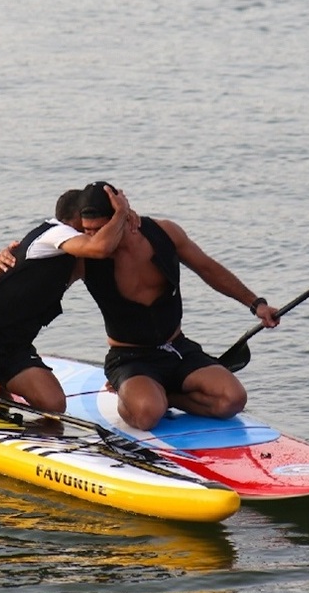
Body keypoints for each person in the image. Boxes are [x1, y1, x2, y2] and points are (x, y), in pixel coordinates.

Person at [74, 181, 280, 431]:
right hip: (130, 358)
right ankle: (131, 392)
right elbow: (38, 280)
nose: (94, 239)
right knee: (148, 415)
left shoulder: (164, 233)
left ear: (122, 218)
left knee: (232, 400)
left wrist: (255, 303)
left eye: (100, 229)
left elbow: (207, 268)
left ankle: (165, 395)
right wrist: (12, 255)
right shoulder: (83, 257)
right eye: (87, 231)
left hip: (177, 348)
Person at [0, 185, 132, 417]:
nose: (95, 233)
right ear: (75, 221)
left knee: (54, 406)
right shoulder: (56, 232)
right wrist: (121, 212)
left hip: (14, 347)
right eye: (89, 228)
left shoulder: (74, 257)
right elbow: (100, 247)